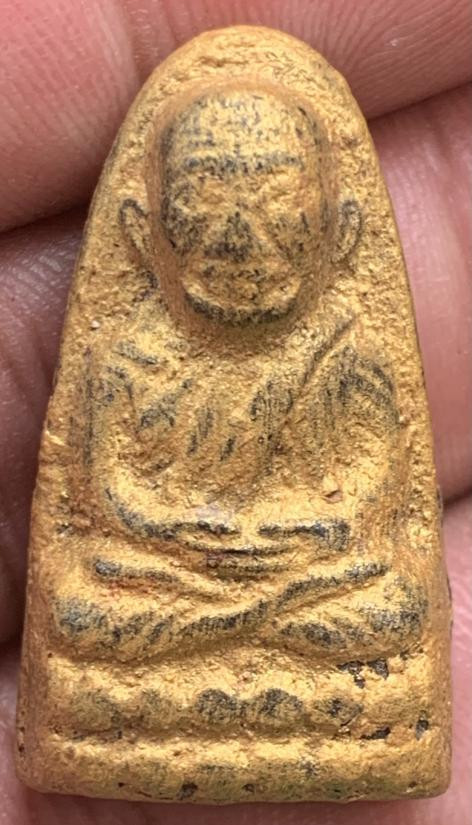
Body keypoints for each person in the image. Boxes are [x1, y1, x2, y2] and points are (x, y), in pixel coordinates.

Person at [0, 0, 470, 822]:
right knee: (81, 609)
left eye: (274, 199)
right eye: (207, 200)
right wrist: (188, 538)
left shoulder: (341, 352)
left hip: (308, 574)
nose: (238, 235)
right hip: (169, 571)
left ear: (339, 229)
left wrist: (301, 538)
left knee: (390, 606)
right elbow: (106, 493)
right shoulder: (132, 354)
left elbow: (373, 482)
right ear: (144, 232)